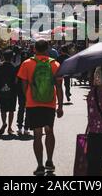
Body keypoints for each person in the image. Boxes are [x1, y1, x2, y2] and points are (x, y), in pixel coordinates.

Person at [17, 40, 64, 176]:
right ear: (47, 49)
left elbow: (23, 85)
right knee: (49, 131)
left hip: (33, 103)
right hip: (49, 103)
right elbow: (59, 87)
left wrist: (27, 98)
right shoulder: (55, 64)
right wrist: (60, 106)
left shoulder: (27, 64)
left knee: (37, 135)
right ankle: (49, 161)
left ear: (34, 49)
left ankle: (40, 166)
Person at [0, 50, 18, 135]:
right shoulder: (14, 68)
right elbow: (16, 81)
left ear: (3, 57)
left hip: (1, 91)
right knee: (11, 110)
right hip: (12, 91)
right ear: (11, 58)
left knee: (3, 109)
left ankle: (4, 122)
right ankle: (9, 127)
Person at [15, 50, 31, 136]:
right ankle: (26, 128)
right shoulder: (31, 66)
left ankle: (20, 127)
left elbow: (16, 81)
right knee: (28, 109)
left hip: (20, 91)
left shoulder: (18, 67)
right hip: (29, 91)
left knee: (21, 108)